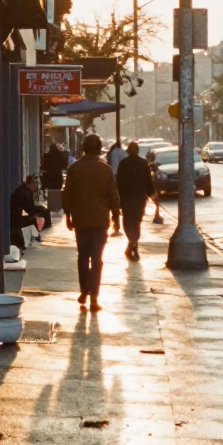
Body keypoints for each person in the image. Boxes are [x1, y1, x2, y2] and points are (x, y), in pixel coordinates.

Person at [62, 133, 120, 311]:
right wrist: (116, 216)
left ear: (84, 149)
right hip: (100, 221)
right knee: (97, 259)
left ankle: (84, 291)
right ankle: (94, 297)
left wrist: (68, 216)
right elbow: (113, 196)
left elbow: (67, 195)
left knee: (82, 257)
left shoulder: (74, 169)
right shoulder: (106, 170)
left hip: (81, 220)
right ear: (99, 149)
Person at [115, 141, 155, 261]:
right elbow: (148, 181)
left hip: (127, 198)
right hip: (139, 198)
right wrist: (152, 194)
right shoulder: (143, 163)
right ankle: (133, 244)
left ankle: (132, 244)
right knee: (137, 222)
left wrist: (118, 198)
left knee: (128, 223)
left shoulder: (123, 163)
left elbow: (119, 183)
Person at [9, 174, 47, 249]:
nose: (36, 186)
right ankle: (35, 237)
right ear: (32, 183)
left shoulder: (23, 189)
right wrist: (39, 210)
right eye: (36, 184)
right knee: (37, 218)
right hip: (14, 219)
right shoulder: (25, 192)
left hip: (13, 217)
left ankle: (35, 236)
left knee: (37, 216)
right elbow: (30, 210)